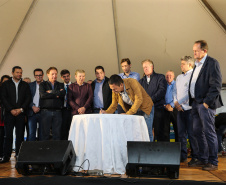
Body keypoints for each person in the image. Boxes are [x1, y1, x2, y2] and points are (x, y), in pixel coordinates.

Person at [188, 40, 223, 171]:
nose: (194, 53)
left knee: (209, 132)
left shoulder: (212, 63)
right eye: (193, 51)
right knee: (197, 132)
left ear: (205, 51)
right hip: (196, 103)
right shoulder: (196, 65)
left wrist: (206, 103)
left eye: (196, 50)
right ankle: (203, 159)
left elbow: (216, 85)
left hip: (205, 104)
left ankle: (213, 161)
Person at [100, 75, 154, 141]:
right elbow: (114, 104)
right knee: (136, 133)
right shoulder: (114, 89)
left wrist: (127, 114)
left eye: (114, 89)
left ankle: (149, 150)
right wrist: (106, 112)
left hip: (146, 108)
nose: (113, 91)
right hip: (134, 110)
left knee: (147, 132)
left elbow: (139, 99)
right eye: (112, 89)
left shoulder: (132, 82)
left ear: (121, 85)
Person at [0, 66, 31, 163]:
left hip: (21, 114)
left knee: (20, 135)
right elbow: (3, 98)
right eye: (17, 72)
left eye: (21, 72)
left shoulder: (25, 85)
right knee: (8, 136)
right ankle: (6, 156)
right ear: (12, 73)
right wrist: (11, 110)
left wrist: (21, 109)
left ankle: (19, 155)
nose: (19, 74)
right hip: (9, 114)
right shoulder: (6, 84)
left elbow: (28, 98)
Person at [173, 56, 199, 163]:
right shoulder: (179, 77)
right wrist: (175, 102)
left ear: (190, 64)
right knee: (181, 134)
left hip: (190, 109)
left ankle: (195, 156)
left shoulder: (194, 76)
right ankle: (182, 156)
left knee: (192, 134)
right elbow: (174, 91)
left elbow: (190, 93)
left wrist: (179, 102)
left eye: (183, 64)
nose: (181, 65)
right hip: (179, 109)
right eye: (181, 63)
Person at [139, 59, 167, 141]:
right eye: (144, 67)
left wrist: (150, 100)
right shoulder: (141, 81)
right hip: (145, 110)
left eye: (147, 67)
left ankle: (161, 152)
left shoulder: (160, 77)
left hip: (158, 108)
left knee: (159, 132)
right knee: (147, 132)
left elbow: (162, 91)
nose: (145, 69)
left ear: (152, 67)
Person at [39, 67, 65, 141]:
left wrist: (50, 92)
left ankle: (56, 152)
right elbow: (43, 95)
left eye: (56, 74)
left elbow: (63, 93)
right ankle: (45, 151)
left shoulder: (60, 84)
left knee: (57, 134)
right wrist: (56, 93)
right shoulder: (43, 84)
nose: (54, 76)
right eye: (52, 74)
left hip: (57, 112)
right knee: (45, 134)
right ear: (48, 75)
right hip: (46, 112)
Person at [27, 68, 44, 141]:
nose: (38, 77)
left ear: (43, 75)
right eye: (36, 75)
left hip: (43, 112)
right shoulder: (30, 85)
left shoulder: (46, 84)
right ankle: (31, 152)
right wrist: (32, 106)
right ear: (34, 76)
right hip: (32, 112)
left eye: (40, 75)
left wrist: (40, 107)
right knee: (31, 134)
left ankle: (41, 151)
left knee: (42, 134)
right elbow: (27, 98)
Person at [165, 70, 178, 142]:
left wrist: (171, 105)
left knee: (177, 129)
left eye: (170, 75)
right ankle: (167, 150)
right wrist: (166, 106)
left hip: (175, 109)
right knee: (165, 131)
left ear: (174, 76)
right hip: (165, 109)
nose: (168, 77)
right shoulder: (163, 85)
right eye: (167, 76)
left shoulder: (177, 84)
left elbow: (179, 96)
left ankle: (178, 150)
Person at [0, 75, 10, 159]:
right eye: (4, 81)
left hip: (6, 115)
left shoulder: (10, 91)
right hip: (1, 114)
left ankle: (4, 154)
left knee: (5, 135)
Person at [60, 69, 72, 140]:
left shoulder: (74, 85)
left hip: (72, 110)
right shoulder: (59, 86)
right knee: (63, 130)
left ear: (70, 76)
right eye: (64, 77)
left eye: (67, 76)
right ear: (61, 77)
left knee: (71, 129)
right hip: (63, 110)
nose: (66, 78)